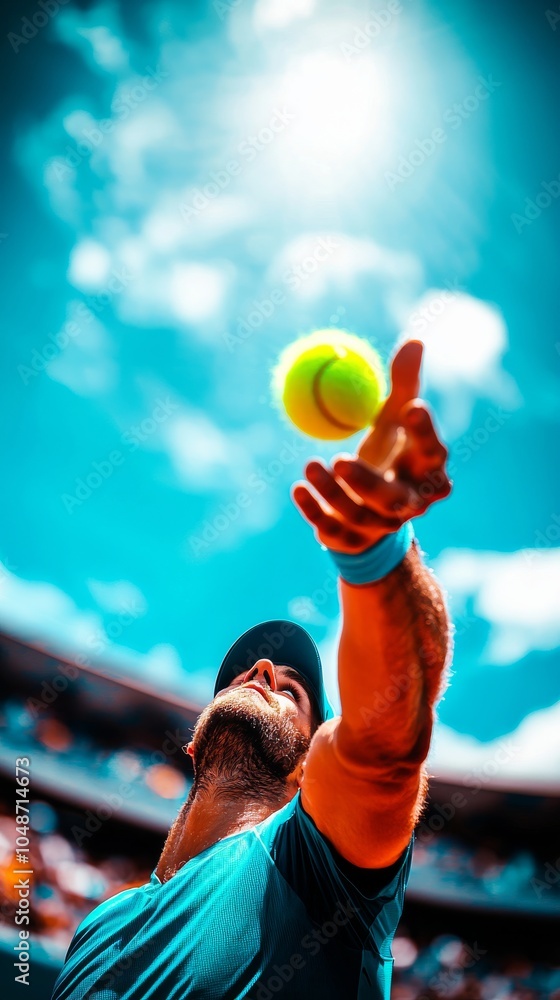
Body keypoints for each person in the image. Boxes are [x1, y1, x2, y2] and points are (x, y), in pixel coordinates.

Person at [51, 339, 452, 1000]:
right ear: (192, 742)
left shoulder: (316, 864)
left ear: (307, 768)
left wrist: (375, 557)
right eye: (243, 673)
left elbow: (385, 739)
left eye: (293, 689)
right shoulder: (99, 926)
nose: (264, 667)